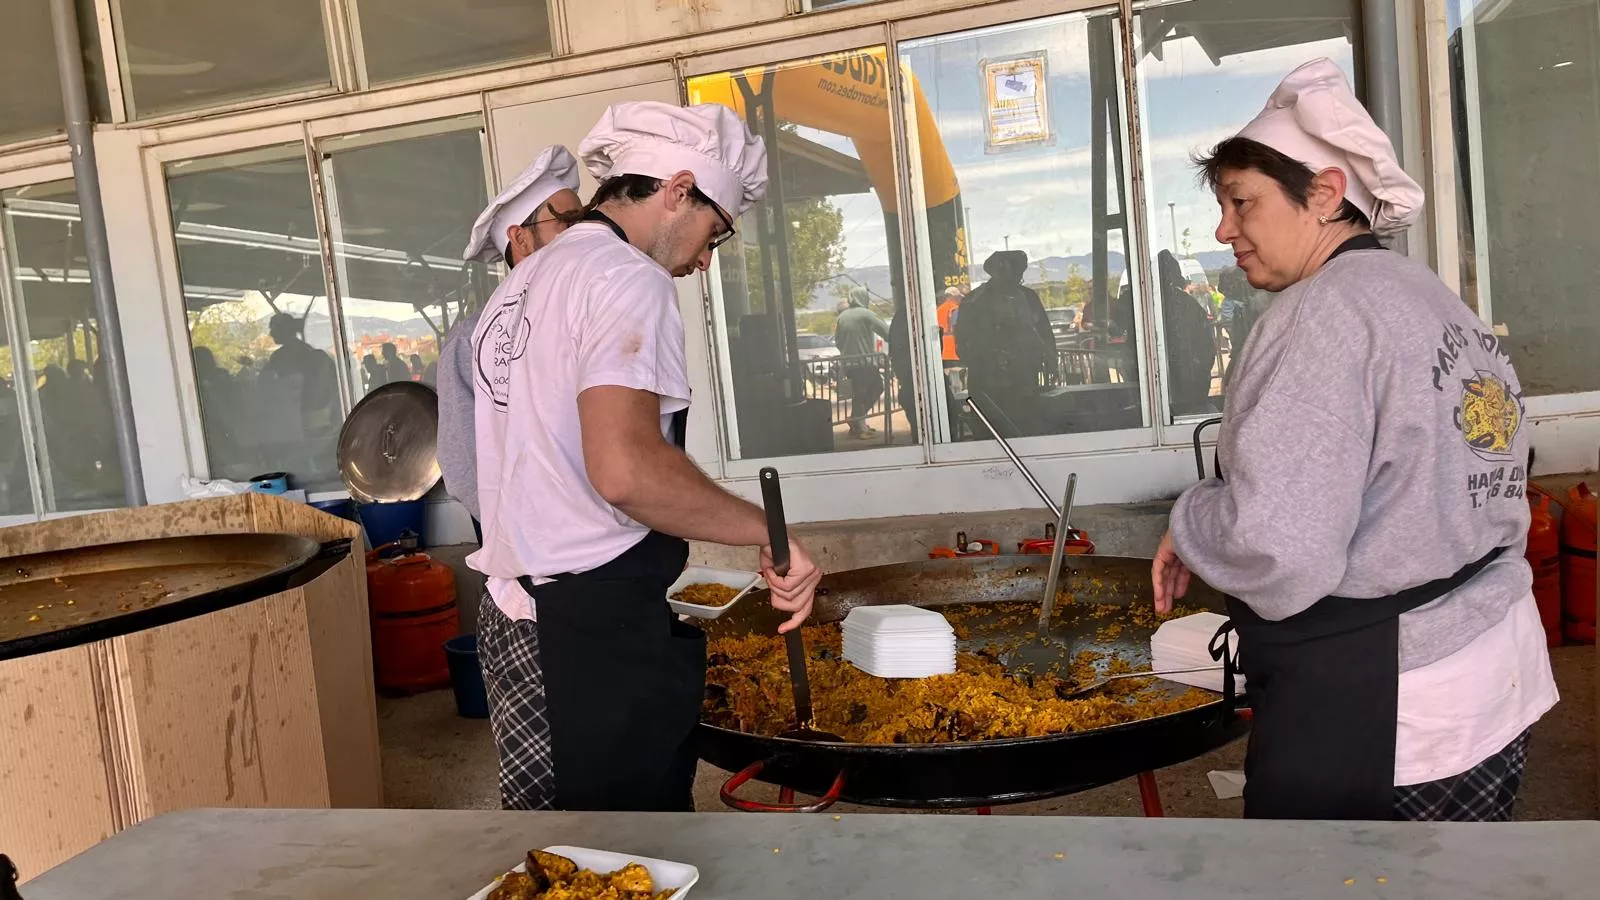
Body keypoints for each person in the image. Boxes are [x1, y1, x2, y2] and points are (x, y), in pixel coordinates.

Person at [1152, 58, 1556, 822]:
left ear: (1325, 193)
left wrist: (1193, 518)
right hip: (1495, 662)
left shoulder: (1322, 315)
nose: (1223, 229)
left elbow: (1282, 552)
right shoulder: (1429, 295)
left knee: (1339, 876)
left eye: (1241, 201)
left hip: (1397, 706)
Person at [468, 101, 822, 813]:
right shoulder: (627, 278)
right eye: (714, 232)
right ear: (679, 189)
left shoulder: (521, 284)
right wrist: (768, 532)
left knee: (560, 847)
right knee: (631, 849)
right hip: (588, 630)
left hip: (517, 614)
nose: (704, 260)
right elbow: (626, 470)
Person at [438, 145, 585, 530]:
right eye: (568, 223)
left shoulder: (591, 315)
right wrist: (523, 536)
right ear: (520, 239)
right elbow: (463, 463)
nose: (585, 235)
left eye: (586, 222)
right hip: (526, 541)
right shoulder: (472, 340)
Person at [953, 250, 1054, 435]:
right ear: (996, 272)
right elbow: (962, 345)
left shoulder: (1028, 297)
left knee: (1026, 430)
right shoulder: (974, 302)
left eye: (1018, 272)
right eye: (1009, 271)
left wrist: (1050, 360)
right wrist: (989, 358)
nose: (1015, 277)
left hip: (1024, 381)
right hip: (988, 385)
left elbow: (1044, 333)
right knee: (990, 434)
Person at [833, 288, 889, 438]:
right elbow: (886, 332)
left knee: (859, 393)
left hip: (848, 363)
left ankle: (857, 423)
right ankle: (858, 425)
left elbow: (837, 341)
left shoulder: (841, 317)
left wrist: (848, 352)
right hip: (865, 362)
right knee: (876, 388)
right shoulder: (867, 314)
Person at [936, 285, 964, 362]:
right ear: (952, 297)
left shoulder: (938, 310)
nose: (960, 299)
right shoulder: (957, 309)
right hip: (955, 349)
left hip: (943, 350)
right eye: (958, 297)